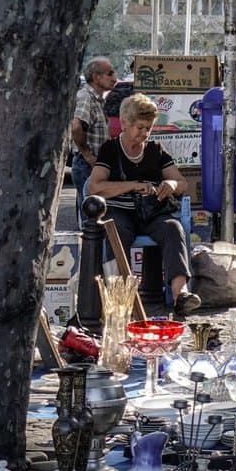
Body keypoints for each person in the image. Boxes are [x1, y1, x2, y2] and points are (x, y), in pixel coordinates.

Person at [87, 94, 200, 314]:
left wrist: (170, 184)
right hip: (120, 212)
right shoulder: (110, 150)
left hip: (151, 213)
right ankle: (118, 297)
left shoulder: (155, 150)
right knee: (117, 231)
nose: (144, 133)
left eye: (148, 128)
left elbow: (182, 183)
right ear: (125, 123)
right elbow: (95, 187)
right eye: (140, 127)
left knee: (173, 228)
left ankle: (181, 294)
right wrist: (132, 185)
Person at [70, 56, 118, 219]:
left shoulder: (98, 100)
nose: (114, 78)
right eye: (109, 74)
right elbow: (76, 126)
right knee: (92, 216)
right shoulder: (86, 97)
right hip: (87, 165)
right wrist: (88, 155)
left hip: (96, 165)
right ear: (96, 77)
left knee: (97, 214)